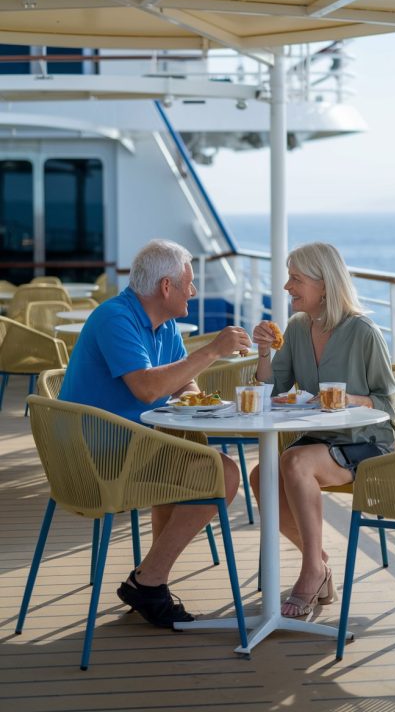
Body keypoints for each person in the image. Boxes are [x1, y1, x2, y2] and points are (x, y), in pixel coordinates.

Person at [59, 239, 252, 627]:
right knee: (223, 473)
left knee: (196, 462)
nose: (193, 292)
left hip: (133, 446)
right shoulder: (116, 318)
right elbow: (147, 388)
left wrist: (195, 399)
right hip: (94, 457)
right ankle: (148, 582)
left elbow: (185, 387)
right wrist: (213, 351)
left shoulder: (165, 327)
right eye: (189, 283)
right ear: (167, 287)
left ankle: (151, 579)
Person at [250, 241, 395, 619]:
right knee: (260, 475)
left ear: (325, 285)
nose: (286, 287)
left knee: (295, 461)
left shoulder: (363, 331)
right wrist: (264, 352)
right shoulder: (298, 327)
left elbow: (389, 404)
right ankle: (318, 561)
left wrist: (353, 400)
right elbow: (273, 390)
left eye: (295, 279)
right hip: (321, 441)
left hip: (367, 443)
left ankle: (311, 571)